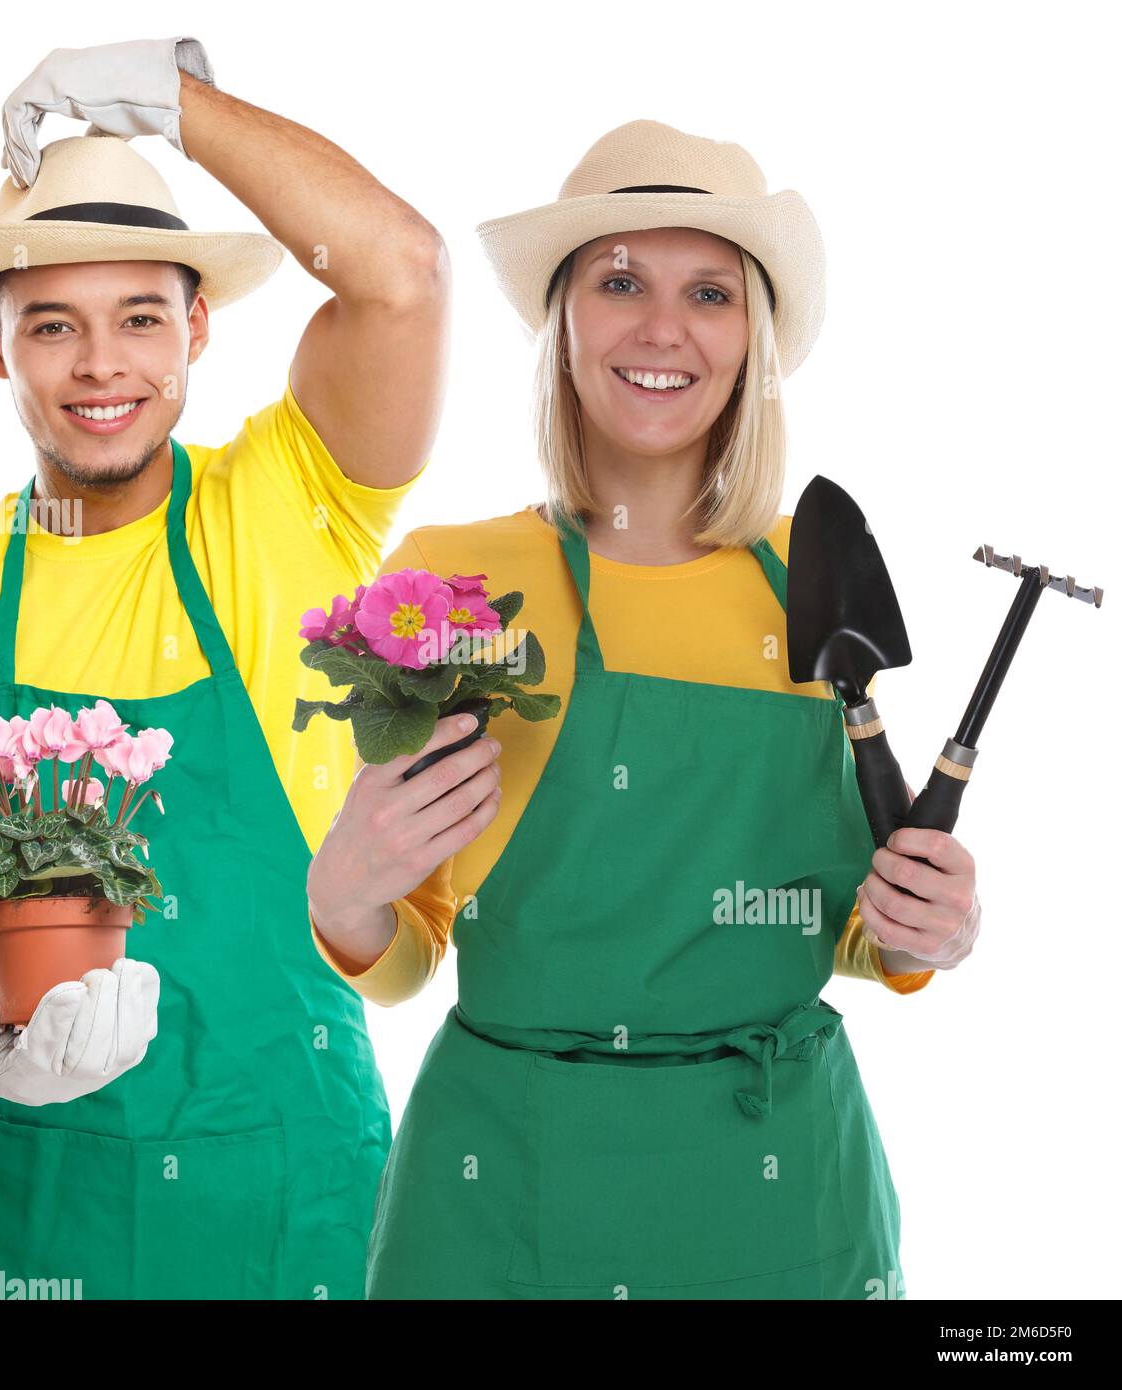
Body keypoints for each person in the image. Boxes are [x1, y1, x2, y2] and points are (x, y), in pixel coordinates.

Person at [306, 120, 981, 1300]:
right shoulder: (451, 585)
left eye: (709, 293)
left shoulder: (808, 576)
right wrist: (343, 899)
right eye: (619, 281)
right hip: (505, 1190)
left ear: (750, 340)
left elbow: (856, 928)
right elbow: (405, 950)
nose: (662, 328)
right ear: (563, 323)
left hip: (774, 1195)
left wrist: (930, 930)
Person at [0, 36, 449, 1300]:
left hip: (301, 1199)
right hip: (34, 1207)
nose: (102, 365)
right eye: (53, 324)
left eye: (140, 317)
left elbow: (402, 273)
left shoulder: (292, 503)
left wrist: (174, 107)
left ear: (199, 328)